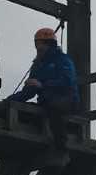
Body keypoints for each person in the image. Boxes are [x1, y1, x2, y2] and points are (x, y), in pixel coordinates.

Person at [9, 27, 80, 157]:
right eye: (36, 45)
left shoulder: (62, 60)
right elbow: (29, 92)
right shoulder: (38, 65)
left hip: (67, 100)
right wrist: (9, 101)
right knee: (27, 110)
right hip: (46, 103)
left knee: (54, 109)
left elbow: (67, 82)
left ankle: (61, 148)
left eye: (39, 45)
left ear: (48, 44)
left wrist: (42, 85)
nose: (37, 48)